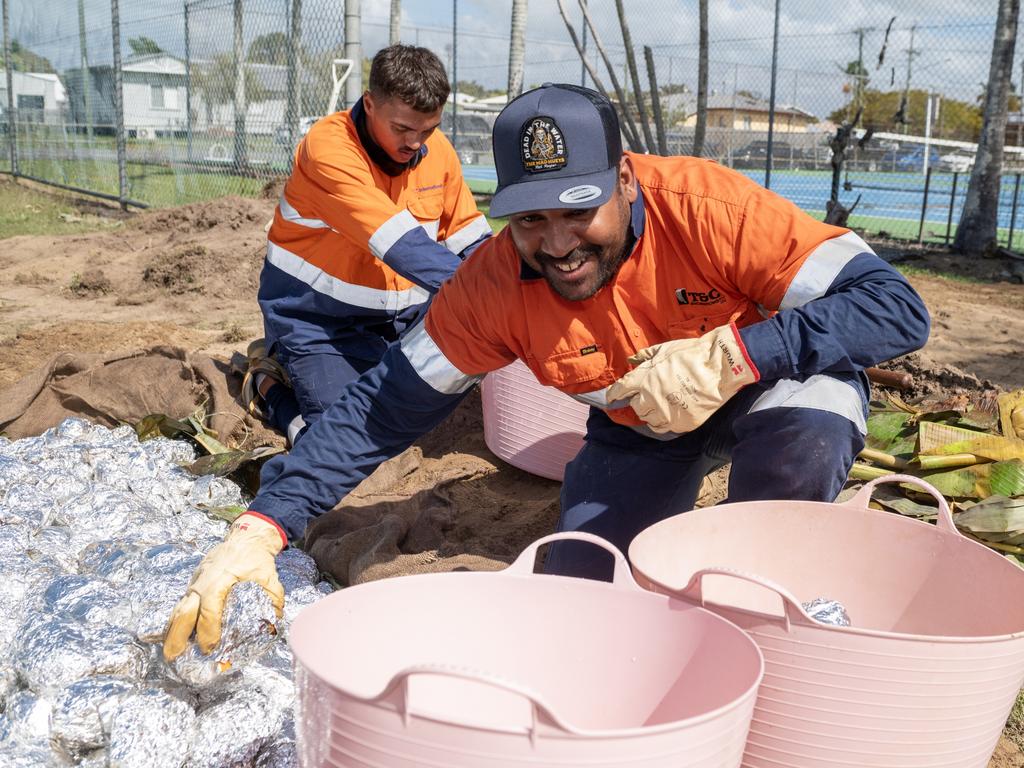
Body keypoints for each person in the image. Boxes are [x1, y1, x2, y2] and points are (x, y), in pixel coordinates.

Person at [164, 83, 930, 660]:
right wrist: (265, 525)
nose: (559, 243)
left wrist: (739, 354)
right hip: (640, 430)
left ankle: (776, 620)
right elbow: (378, 410)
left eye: (578, 210)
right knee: (576, 594)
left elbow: (896, 310)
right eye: (532, 218)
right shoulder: (492, 288)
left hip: (772, 388)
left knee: (804, 439)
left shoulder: (711, 209)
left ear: (625, 181)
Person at [245, 44, 491, 445]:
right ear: (370, 104)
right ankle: (269, 386)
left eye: (427, 129)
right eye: (402, 129)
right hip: (320, 322)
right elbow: (399, 244)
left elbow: (469, 236)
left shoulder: (438, 151)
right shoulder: (328, 148)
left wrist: (518, 280)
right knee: (336, 441)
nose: (416, 142)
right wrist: (493, 294)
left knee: (428, 406)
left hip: (403, 319)